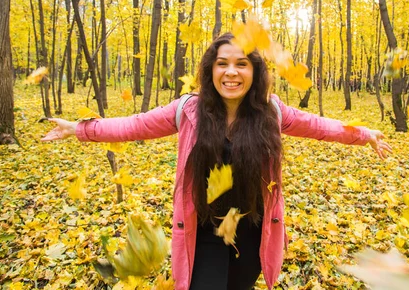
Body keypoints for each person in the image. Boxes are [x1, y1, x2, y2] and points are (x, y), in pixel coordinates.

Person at [42, 33, 391, 290]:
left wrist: (364, 133)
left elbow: (320, 126)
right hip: (203, 229)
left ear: (255, 71)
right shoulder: (187, 110)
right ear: (211, 70)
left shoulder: (271, 111)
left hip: (252, 230)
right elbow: (135, 124)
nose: (231, 72)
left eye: (241, 64)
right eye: (222, 64)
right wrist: (81, 128)